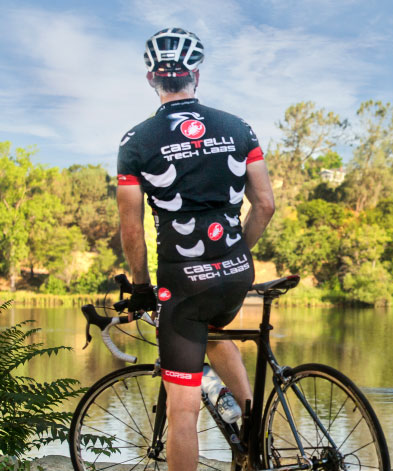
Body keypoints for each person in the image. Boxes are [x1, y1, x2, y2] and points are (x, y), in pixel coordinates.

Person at [116, 27, 275, 471]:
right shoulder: (238, 127)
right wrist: (234, 253)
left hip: (183, 279)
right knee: (216, 331)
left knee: (182, 409)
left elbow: (131, 228)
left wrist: (142, 285)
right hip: (235, 272)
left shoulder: (136, 142)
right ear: (196, 76)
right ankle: (252, 441)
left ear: (151, 78)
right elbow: (264, 204)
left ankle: (246, 437)